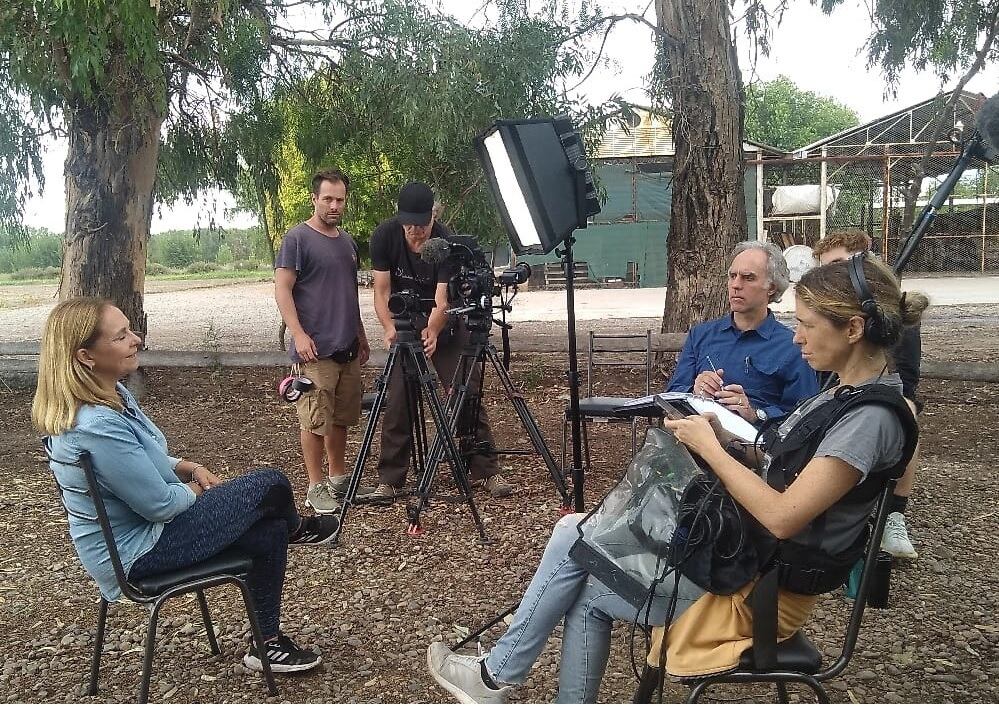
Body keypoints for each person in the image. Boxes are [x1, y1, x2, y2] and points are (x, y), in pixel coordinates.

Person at [426, 255, 926, 703]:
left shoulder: (871, 419)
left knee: (573, 536)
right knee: (579, 553)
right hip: (744, 561)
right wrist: (732, 442)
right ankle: (497, 677)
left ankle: (495, 677)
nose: (796, 337)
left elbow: (782, 516)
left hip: (759, 595)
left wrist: (712, 450)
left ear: (854, 328)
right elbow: (782, 465)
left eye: (807, 325)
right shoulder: (843, 393)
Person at [34, 297, 337, 673]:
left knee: (269, 529)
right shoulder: (96, 425)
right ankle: (299, 529)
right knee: (270, 483)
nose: (137, 339)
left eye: (130, 330)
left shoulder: (110, 396)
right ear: (85, 356)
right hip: (136, 553)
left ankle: (266, 644)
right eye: (121, 335)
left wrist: (185, 466)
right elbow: (160, 506)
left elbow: (142, 458)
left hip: (150, 535)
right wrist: (198, 491)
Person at [368, 181, 513, 503]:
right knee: (397, 397)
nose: (414, 232)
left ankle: (485, 469)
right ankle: (390, 478)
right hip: (404, 316)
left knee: (465, 388)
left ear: (432, 217)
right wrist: (389, 327)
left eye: (421, 225)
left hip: (442, 318)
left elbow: (442, 298)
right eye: (408, 225)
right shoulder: (384, 235)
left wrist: (433, 332)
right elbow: (380, 291)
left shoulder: (445, 242)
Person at [813, 229, 921, 558]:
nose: (834, 275)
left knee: (907, 410)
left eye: (840, 264)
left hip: (876, 398)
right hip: (835, 397)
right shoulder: (825, 313)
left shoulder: (889, 318)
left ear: (864, 260)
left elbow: (905, 381)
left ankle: (893, 514)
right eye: (825, 267)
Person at [274, 168, 376, 513]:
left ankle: (338, 478)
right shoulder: (297, 240)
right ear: (314, 199)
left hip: (346, 347)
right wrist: (299, 334)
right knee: (315, 419)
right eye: (328, 199)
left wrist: (360, 335)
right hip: (314, 350)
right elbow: (282, 289)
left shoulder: (347, 243)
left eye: (340, 200)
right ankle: (314, 486)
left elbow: (348, 294)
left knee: (341, 418)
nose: (334, 205)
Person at [667, 240, 818, 425]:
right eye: (732, 276)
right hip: (695, 440)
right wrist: (695, 391)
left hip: (756, 446)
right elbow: (672, 395)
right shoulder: (701, 335)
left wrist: (756, 413)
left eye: (748, 278)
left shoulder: (793, 346)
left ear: (772, 287)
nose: (736, 285)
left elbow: (805, 417)